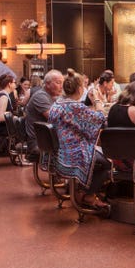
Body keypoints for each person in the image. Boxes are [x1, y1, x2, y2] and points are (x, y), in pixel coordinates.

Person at [49, 69, 111, 210]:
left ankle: (82, 190)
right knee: (108, 162)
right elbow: (100, 119)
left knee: (100, 157)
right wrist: (97, 99)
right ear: (79, 88)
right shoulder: (74, 107)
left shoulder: (59, 103)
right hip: (73, 152)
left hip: (60, 151)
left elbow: (80, 118)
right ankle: (88, 195)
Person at [24, 69, 64, 151]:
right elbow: (54, 118)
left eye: (62, 83)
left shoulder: (53, 96)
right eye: (58, 83)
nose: (62, 86)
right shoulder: (40, 96)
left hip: (49, 139)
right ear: (47, 84)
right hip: (39, 142)